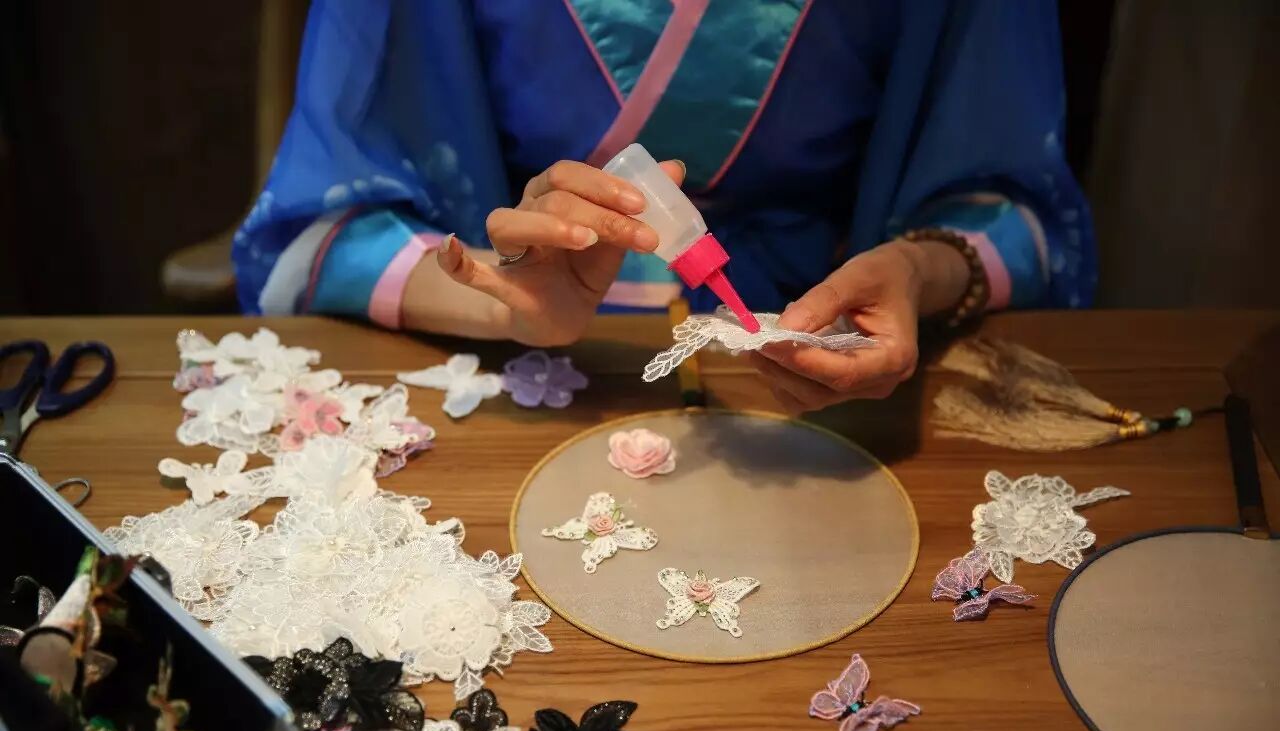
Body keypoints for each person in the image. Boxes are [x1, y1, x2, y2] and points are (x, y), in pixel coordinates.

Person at [234, 0, 1094, 414]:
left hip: (816, 353)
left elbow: (1014, 208)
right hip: (535, 366)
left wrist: (912, 270)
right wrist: (501, 297)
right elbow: (321, 233)